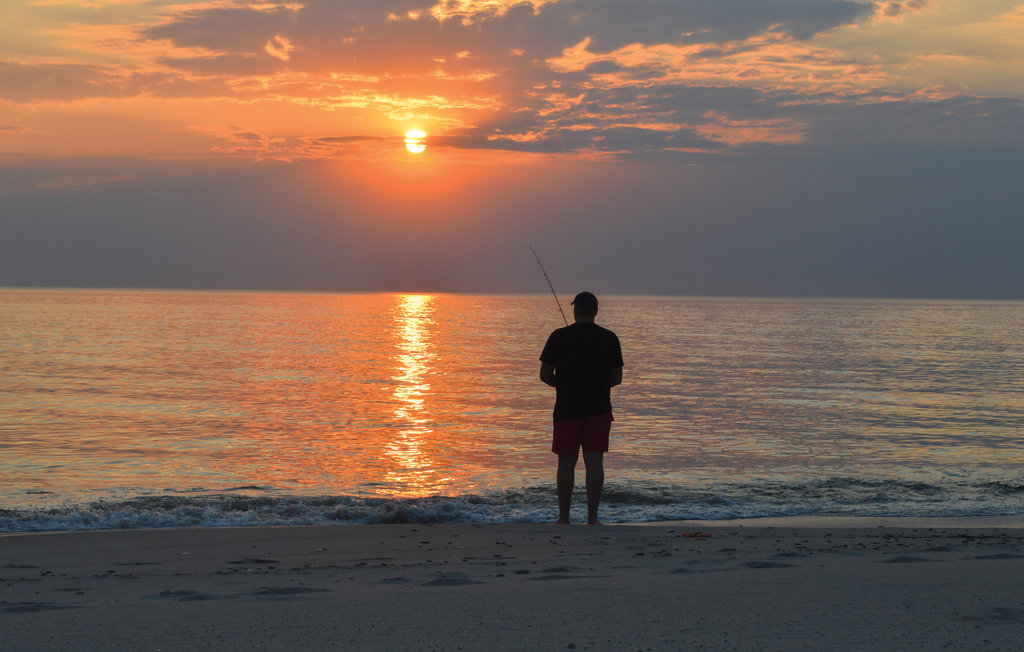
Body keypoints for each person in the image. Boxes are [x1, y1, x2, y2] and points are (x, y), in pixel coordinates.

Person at [539, 291, 623, 524]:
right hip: (599, 409)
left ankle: (564, 517)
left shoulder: (558, 336)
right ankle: (593, 518)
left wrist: (564, 385)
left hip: (566, 408)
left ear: (575, 311)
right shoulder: (610, 338)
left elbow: (545, 375)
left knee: (566, 462)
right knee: (594, 462)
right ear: (596, 311)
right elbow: (617, 377)